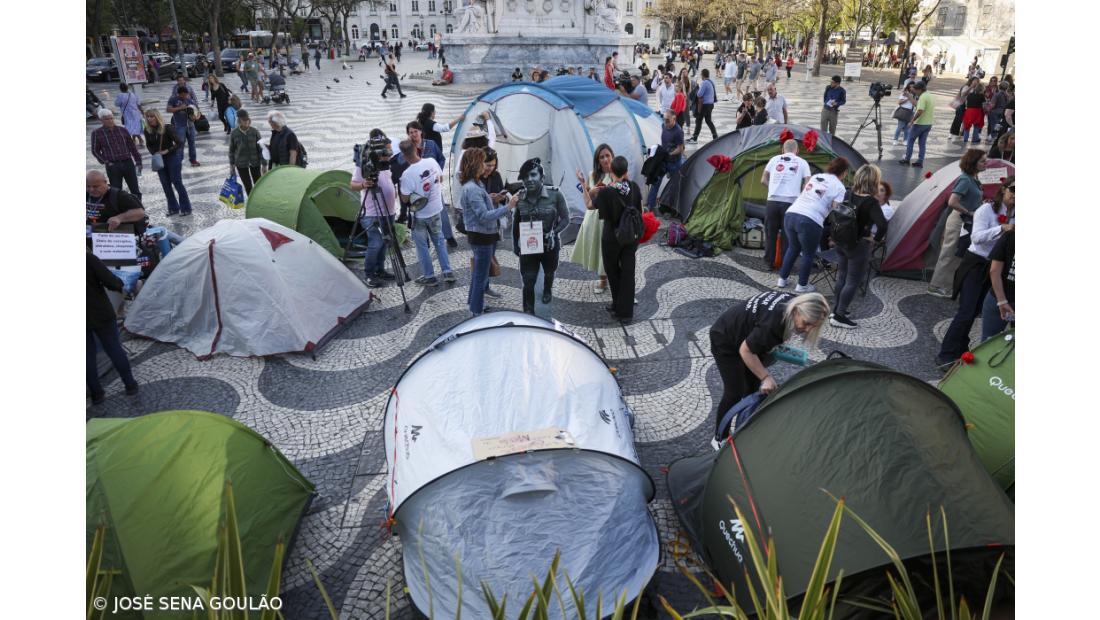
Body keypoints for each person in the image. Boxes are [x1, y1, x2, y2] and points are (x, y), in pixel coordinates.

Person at [708, 291, 829, 437]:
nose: (808, 329)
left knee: (752, 387)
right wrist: (766, 377)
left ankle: (744, 426)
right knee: (734, 393)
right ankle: (720, 437)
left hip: (743, 334)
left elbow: (757, 336)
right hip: (725, 338)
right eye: (806, 323)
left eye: (813, 326)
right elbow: (746, 350)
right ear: (798, 311)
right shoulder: (775, 324)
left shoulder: (795, 302)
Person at [937, 176, 1014, 366]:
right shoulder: (986, 210)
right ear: (1003, 189)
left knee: (976, 311)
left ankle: (962, 346)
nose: (1017, 195)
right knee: (966, 310)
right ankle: (946, 354)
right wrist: (1001, 228)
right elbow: (977, 238)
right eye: (1013, 189)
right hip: (976, 264)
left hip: (996, 267)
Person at [777, 157, 851, 293]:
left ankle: (782, 279)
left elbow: (805, 191)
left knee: (793, 247)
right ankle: (802, 285)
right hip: (811, 220)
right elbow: (836, 207)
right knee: (808, 253)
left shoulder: (816, 176)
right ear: (845, 172)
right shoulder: (840, 187)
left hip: (791, 214)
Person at [829, 164, 888, 329]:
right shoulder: (871, 202)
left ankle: (836, 310)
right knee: (853, 281)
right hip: (857, 245)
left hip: (841, 241)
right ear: (874, 180)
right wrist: (875, 239)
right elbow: (882, 225)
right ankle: (839, 316)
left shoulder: (848, 193)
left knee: (842, 276)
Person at [460, 148, 518, 315]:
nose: (485, 166)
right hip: (481, 237)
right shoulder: (473, 188)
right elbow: (484, 216)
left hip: (483, 235)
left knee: (479, 274)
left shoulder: (476, 184)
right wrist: (509, 206)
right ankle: (477, 312)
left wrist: (491, 199)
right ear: (475, 164)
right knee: (480, 276)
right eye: (483, 162)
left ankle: (473, 303)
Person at [511, 158, 570, 314]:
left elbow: (566, 218)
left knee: (549, 272)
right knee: (528, 281)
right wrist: (515, 244)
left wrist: (554, 232)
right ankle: (529, 313)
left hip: (549, 246)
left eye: (533, 175)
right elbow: (516, 223)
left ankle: (547, 289)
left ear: (542, 178)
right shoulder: (519, 198)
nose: (529, 179)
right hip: (528, 246)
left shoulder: (555, 195)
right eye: (525, 177)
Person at [927, 149, 989, 297]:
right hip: (959, 221)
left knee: (956, 254)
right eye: (982, 161)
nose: (986, 163)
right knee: (949, 253)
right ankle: (935, 286)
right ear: (973, 163)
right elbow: (952, 201)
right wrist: (969, 212)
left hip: (964, 221)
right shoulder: (965, 179)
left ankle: (945, 285)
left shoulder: (973, 178)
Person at [398, 139, 453, 286]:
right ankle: (447, 272)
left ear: (404, 156)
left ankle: (430, 276)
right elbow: (440, 178)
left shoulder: (407, 174)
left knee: (422, 247)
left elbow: (405, 199)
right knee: (439, 241)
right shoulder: (431, 162)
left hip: (420, 215)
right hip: (436, 210)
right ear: (416, 149)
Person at [87, 250, 139, 405]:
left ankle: (96, 394)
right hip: (100, 312)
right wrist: (119, 283)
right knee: (114, 348)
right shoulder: (88, 258)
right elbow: (112, 282)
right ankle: (130, 385)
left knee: (86, 356)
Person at [597, 155, 643, 322]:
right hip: (631, 235)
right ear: (626, 171)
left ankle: (618, 306)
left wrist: (586, 189)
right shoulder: (634, 187)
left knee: (612, 270)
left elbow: (591, 207)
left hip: (612, 237)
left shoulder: (607, 191)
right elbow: (640, 210)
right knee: (628, 272)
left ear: (611, 170)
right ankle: (625, 311)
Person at [351, 131, 399, 288]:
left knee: (385, 243)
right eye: (387, 150)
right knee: (376, 243)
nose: (389, 153)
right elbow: (353, 185)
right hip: (372, 213)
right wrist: (363, 184)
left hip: (389, 211)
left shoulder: (386, 164)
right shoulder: (364, 164)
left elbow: (389, 180)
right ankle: (369, 274)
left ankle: (380, 270)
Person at [761, 139, 810, 271]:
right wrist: (800, 195)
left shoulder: (774, 159)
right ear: (797, 150)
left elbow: (763, 180)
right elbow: (808, 184)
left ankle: (768, 263)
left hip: (772, 201)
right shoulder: (802, 162)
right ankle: (785, 265)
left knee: (770, 233)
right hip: (791, 203)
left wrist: (772, 188)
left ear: (783, 150)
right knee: (788, 235)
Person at [573, 144, 616, 294]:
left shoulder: (618, 173)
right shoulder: (593, 175)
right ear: (598, 160)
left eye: (607, 155)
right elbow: (588, 199)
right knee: (599, 249)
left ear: (612, 156)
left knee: (614, 251)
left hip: (612, 218)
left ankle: (617, 281)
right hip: (595, 217)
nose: (605, 159)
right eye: (601, 157)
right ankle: (603, 280)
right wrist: (588, 188)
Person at [143, 108, 192, 216]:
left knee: (177, 182)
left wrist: (167, 150)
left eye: (152, 116)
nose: (150, 119)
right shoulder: (147, 130)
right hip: (160, 160)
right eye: (148, 116)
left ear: (157, 117)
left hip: (172, 158)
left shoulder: (167, 128)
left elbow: (179, 143)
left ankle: (186, 208)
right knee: (165, 184)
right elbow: (148, 145)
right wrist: (154, 153)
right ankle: (173, 208)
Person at [90, 108, 143, 201]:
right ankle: (119, 208)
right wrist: (107, 162)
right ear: (101, 120)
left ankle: (139, 207)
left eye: (111, 118)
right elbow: (95, 150)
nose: (110, 121)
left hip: (128, 163)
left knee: (135, 189)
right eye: (107, 119)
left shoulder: (122, 130)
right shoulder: (97, 133)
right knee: (116, 191)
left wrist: (138, 161)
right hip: (113, 166)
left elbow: (132, 147)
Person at [86, 170, 146, 234]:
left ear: (105, 183)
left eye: (95, 187)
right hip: (90, 232)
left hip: (114, 234)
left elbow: (140, 213)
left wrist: (119, 218)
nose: (91, 190)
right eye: (88, 186)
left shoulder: (118, 195)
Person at [647, 111, 685, 211]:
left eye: (667, 120)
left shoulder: (678, 132)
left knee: (674, 185)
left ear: (674, 119)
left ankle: (672, 207)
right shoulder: (663, 125)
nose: (665, 123)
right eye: (664, 120)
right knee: (655, 182)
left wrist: (669, 154)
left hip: (674, 163)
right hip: (663, 161)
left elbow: (680, 149)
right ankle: (649, 206)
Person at [982, 227, 1014, 340]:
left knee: (988, 343)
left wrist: (1002, 301)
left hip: (998, 299)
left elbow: (994, 271)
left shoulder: (1010, 235)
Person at [900, 80, 934, 167]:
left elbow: (920, 110)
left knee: (910, 140)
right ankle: (920, 161)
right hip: (928, 123)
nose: (915, 91)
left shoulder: (922, 97)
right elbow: (917, 105)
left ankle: (907, 159)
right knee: (922, 143)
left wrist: (912, 121)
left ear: (920, 89)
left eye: (916, 90)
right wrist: (910, 97)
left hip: (920, 123)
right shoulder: (930, 95)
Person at [229, 109, 263, 195]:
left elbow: (261, 148)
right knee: (247, 185)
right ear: (239, 121)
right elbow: (231, 150)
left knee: (258, 183)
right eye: (244, 120)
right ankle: (251, 200)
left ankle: (259, 199)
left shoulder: (254, 131)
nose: (246, 122)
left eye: (247, 119)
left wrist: (264, 163)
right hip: (241, 163)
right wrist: (232, 165)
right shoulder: (234, 133)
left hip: (255, 161)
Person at [165, 85, 201, 166]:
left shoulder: (189, 99)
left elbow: (197, 110)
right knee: (180, 144)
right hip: (180, 125)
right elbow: (168, 109)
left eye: (186, 94)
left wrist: (196, 117)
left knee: (192, 143)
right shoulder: (173, 99)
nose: (185, 96)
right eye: (183, 95)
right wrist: (180, 108)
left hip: (190, 125)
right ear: (179, 94)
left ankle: (193, 160)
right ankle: (179, 161)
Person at [687, 68, 717, 143]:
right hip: (710, 104)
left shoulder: (704, 83)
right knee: (708, 120)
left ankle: (694, 138)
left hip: (704, 105)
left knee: (698, 120)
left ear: (703, 75)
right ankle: (715, 135)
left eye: (701, 74)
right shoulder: (711, 81)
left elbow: (699, 94)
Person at [114, 83, 144, 147]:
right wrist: (142, 112)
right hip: (136, 114)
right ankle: (135, 140)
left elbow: (116, 104)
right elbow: (138, 104)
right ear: (127, 87)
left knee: (131, 128)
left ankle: (138, 140)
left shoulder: (120, 95)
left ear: (120, 88)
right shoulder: (133, 94)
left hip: (127, 115)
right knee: (135, 127)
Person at [961, 79, 986, 145]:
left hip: (969, 111)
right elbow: (984, 105)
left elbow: (966, 102)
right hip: (977, 112)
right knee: (976, 126)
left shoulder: (970, 95)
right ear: (982, 90)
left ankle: (965, 139)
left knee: (967, 125)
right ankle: (975, 139)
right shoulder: (982, 96)